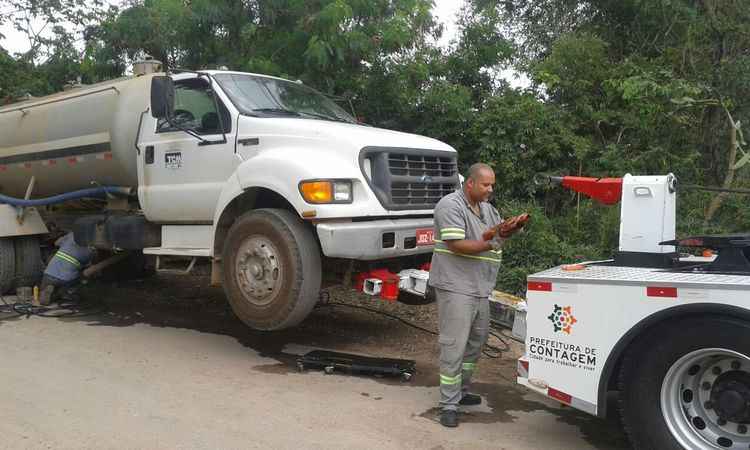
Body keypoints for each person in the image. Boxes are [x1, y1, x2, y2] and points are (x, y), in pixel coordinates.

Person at [428, 163, 524, 428]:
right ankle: (448, 405)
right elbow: (457, 245)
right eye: (486, 184)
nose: (490, 189)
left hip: (479, 287)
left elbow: (495, 232)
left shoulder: (487, 209)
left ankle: (461, 391)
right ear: (470, 183)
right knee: (454, 345)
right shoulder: (450, 206)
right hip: (455, 286)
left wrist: (511, 228)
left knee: (476, 342)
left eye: (492, 185)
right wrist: (493, 241)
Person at [39, 232, 94, 305]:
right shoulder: (89, 252)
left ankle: (49, 290)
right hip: (65, 279)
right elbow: (87, 265)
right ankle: (65, 293)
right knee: (82, 276)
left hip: (48, 274)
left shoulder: (72, 235)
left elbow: (56, 243)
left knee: (45, 287)